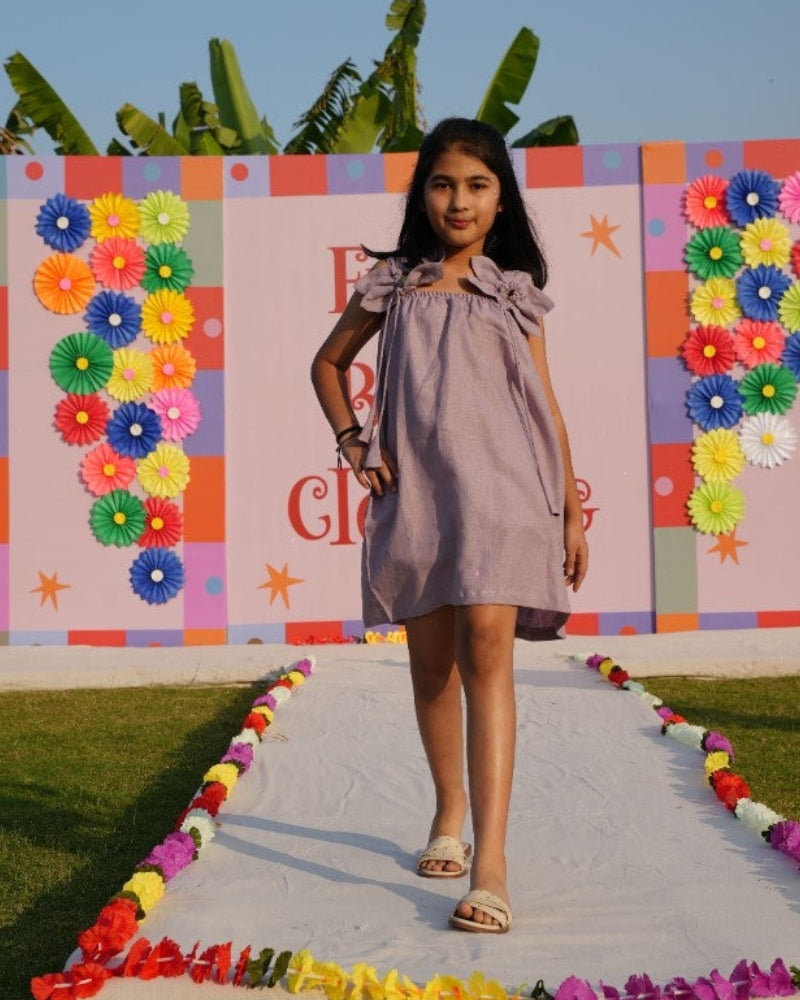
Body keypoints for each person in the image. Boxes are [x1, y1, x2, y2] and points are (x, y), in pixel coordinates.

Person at [311, 117, 588, 934]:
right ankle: (448, 813)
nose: (458, 201)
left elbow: (545, 405)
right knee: (433, 666)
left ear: (502, 199)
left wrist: (571, 510)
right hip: (420, 497)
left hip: (506, 497)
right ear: (422, 195)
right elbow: (327, 364)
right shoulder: (393, 284)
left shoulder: (513, 291)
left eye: (476, 185)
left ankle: (491, 865)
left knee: (488, 653)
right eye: (442, 184)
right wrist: (353, 442)